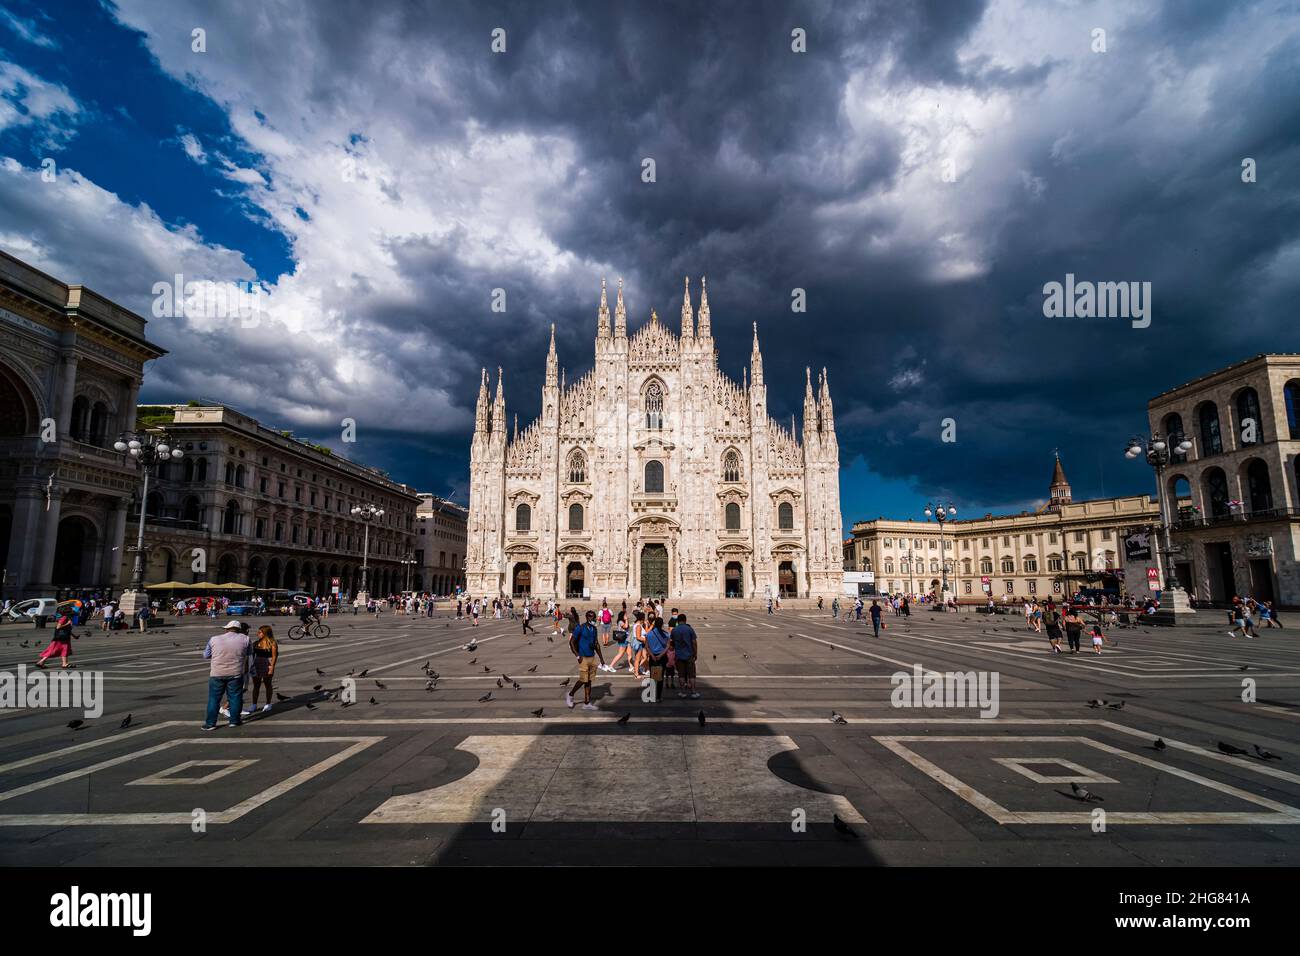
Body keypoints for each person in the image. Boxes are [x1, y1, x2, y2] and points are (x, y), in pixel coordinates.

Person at [202, 620, 251, 730]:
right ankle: (234, 721)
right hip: (236, 673)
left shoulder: (213, 639)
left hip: (216, 673)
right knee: (235, 698)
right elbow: (248, 653)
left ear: (226, 629)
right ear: (239, 630)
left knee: (214, 699)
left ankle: (210, 724)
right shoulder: (246, 639)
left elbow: (206, 655)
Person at [565, 610, 604, 710]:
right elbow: (572, 642)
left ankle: (586, 703)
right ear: (587, 617)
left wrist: (601, 659)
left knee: (589, 681)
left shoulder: (594, 629)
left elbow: (596, 644)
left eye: (594, 617)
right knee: (583, 679)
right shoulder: (580, 628)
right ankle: (570, 694)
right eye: (591, 617)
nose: (593, 619)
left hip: (592, 657)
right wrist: (577, 656)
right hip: (583, 657)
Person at [244, 625, 278, 715]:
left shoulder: (273, 643)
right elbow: (251, 655)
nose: (257, 634)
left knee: (268, 684)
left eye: (260, 632)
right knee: (256, 685)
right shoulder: (256, 643)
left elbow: (274, 656)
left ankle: (268, 703)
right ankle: (254, 704)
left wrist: (272, 667)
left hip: (267, 664)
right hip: (257, 664)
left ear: (265, 633)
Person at [670, 612, 699, 699]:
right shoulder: (689, 629)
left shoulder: (674, 630)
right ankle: (693, 692)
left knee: (681, 675)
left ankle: (683, 692)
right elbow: (694, 642)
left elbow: (672, 643)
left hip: (679, 655)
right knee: (691, 675)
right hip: (689, 654)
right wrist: (695, 653)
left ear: (678, 621)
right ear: (685, 620)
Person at [643, 615, 671, 702]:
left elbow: (646, 646)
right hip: (661, 657)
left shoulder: (649, 634)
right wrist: (661, 655)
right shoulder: (666, 634)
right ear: (662, 624)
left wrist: (652, 655)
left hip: (653, 657)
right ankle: (658, 697)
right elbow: (668, 646)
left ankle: (652, 696)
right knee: (660, 678)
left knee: (653, 677)